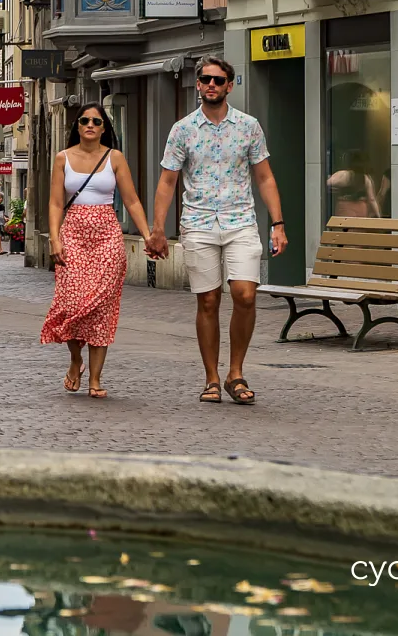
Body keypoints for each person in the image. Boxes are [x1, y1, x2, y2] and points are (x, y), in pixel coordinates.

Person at [147, 57, 288, 407]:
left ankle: (235, 373)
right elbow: (167, 181)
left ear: (230, 85)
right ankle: (211, 377)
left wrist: (278, 223)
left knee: (245, 295)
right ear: (198, 85)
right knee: (208, 300)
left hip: (240, 221)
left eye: (218, 80)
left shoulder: (248, 126)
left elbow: (265, 176)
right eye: (206, 79)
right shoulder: (182, 129)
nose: (211, 85)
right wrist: (157, 229)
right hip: (198, 222)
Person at [41, 104, 155, 399]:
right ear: (77, 126)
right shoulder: (62, 158)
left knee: (101, 306)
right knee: (72, 303)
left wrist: (148, 236)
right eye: (84, 120)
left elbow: (131, 201)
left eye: (96, 121)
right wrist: (54, 239)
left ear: (104, 127)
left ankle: (95, 378)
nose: (90, 125)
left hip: (107, 235)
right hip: (73, 235)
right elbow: (55, 203)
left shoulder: (114, 158)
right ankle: (76, 360)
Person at [327, 149, 381, 218]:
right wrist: (379, 216)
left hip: (344, 209)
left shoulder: (343, 175)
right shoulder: (366, 178)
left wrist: (331, 189)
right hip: (361, 209)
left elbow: (324, 184)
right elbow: (372, 199)